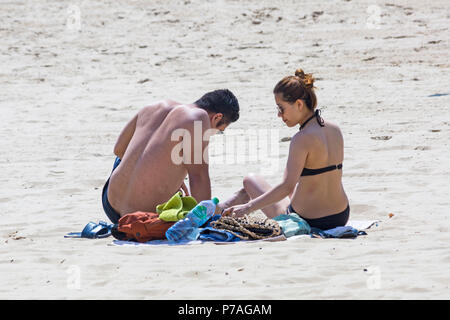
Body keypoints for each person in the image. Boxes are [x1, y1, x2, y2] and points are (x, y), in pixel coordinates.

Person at [223, 69, 350, 230]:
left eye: (281, 108)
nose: (279, 115)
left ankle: (225, 206)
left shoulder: (301, 139)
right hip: (341, 215)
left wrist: (248, 208)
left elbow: (286, 187)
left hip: (308, 220)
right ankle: (230, 203)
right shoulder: (334, 129)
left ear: (299, 104)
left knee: (250, 180)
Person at [102, 89, 241, 224]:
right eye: (219, 131)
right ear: (217, 117)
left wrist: (165, 172)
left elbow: (119, 150)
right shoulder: (198, 117)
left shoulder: (156, 106)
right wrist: (205, 221)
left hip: (109, 204)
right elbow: (198, 177)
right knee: (195, 173)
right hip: (141, 218)